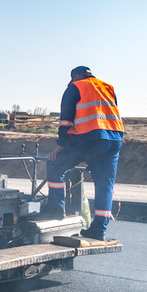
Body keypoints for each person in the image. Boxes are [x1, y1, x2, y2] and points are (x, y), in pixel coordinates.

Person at [44, 66, 125, 240]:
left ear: (78, 76)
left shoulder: (76, 87)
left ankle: (56, 209)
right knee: (105, 185)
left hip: (89, 139)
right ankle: (99, 230)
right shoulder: (108, 87)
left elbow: (65, 121)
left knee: (55, 164)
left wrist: (62, 146)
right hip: (114, 140)